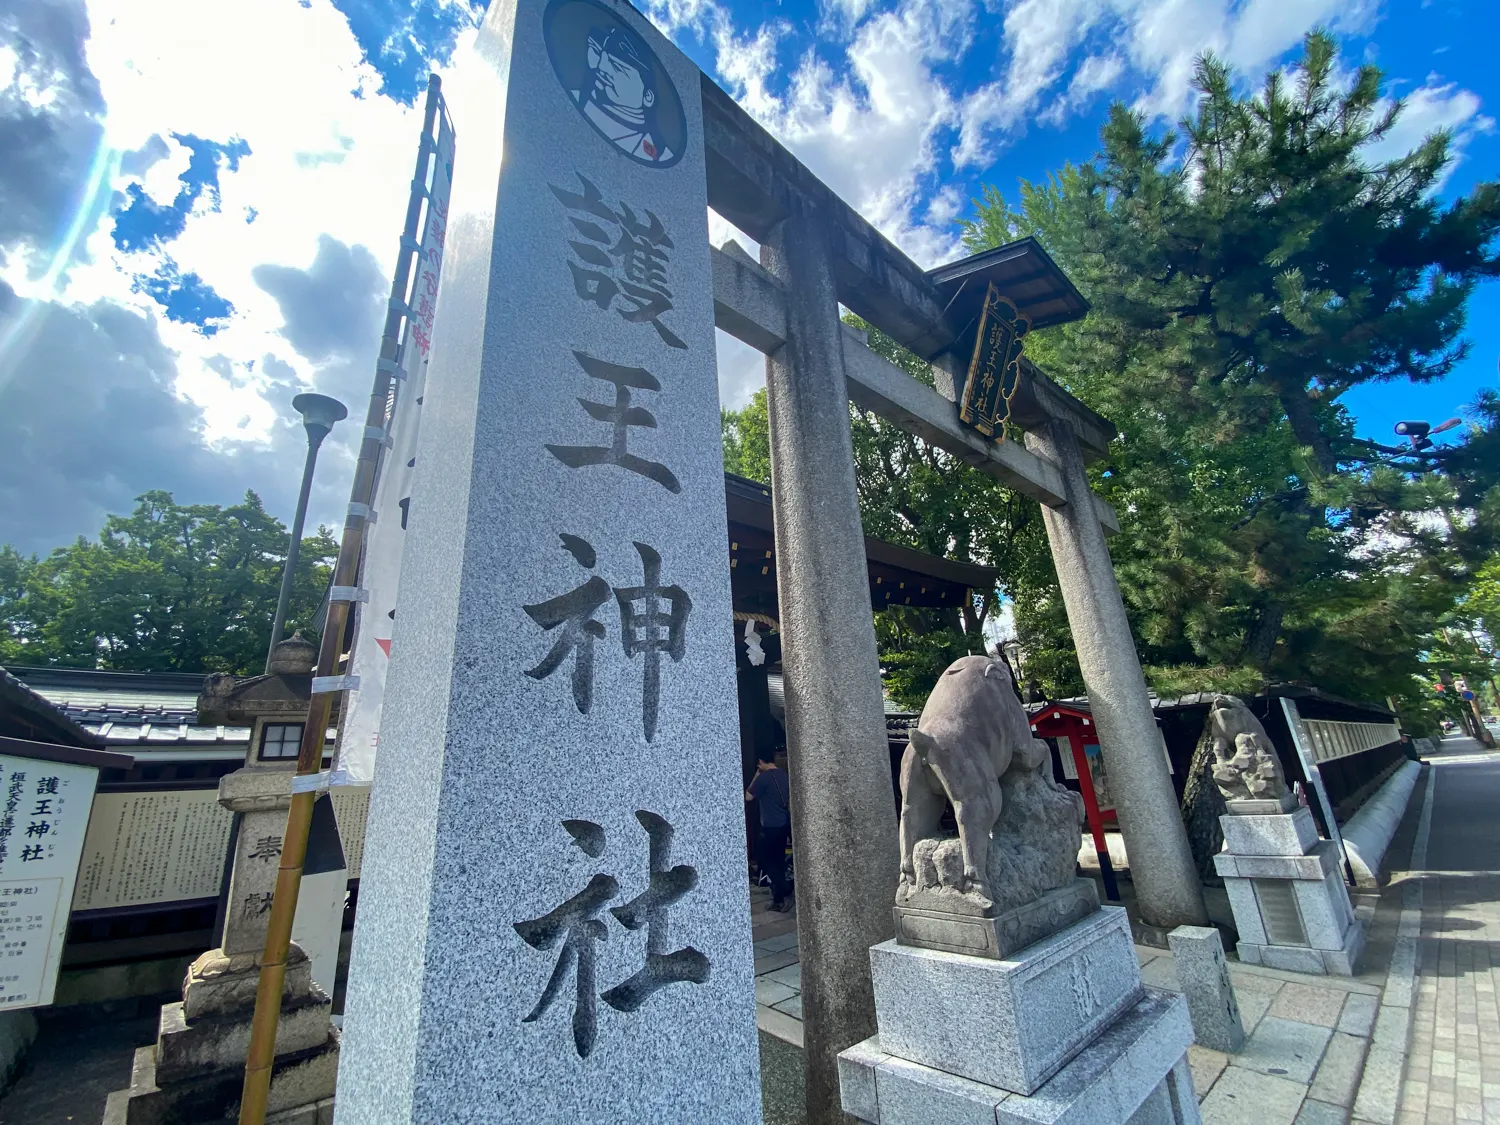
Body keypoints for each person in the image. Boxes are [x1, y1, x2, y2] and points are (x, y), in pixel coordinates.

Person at [745, 748, 792, 912]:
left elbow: (748, 796)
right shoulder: (783, 775)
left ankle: (784, 888)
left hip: (770, 825)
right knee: (778, 861)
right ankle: (779, 900)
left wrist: (757, 774)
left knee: (762, 858)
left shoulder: (763, 778)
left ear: (760, 762)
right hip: (784, 824)